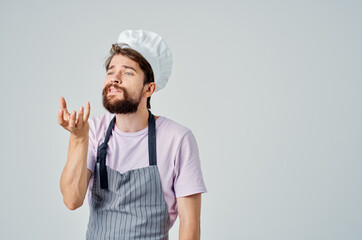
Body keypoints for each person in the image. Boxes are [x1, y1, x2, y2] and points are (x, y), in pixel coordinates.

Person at [58, 29, 207, 240]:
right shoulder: (93, 130)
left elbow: (190, 226)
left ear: (149, 89)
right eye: (110, 72)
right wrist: (78, 138)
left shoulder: (177, 139)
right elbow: (72, 200)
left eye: (127, 72)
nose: (115, 79)